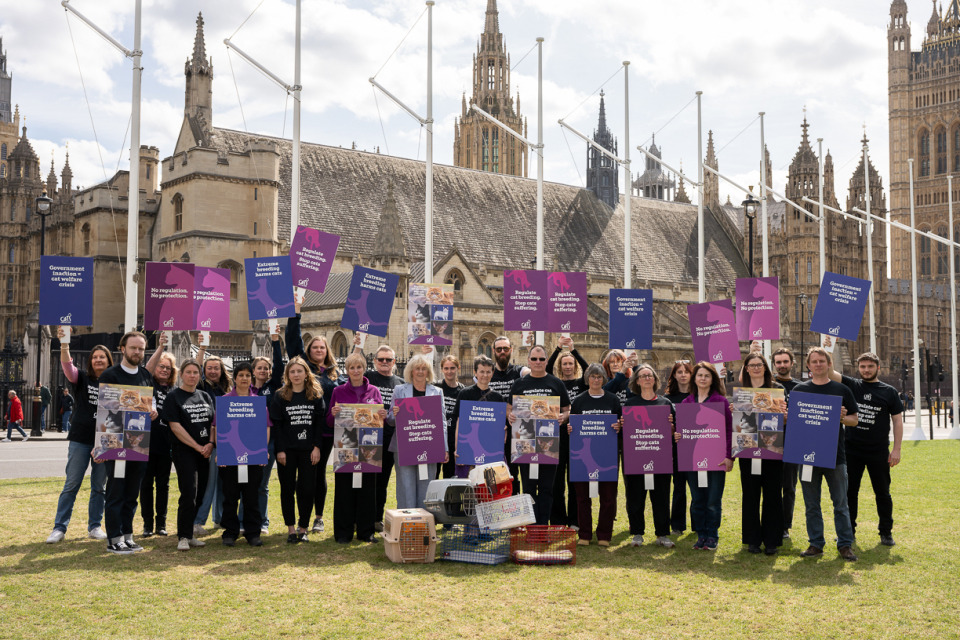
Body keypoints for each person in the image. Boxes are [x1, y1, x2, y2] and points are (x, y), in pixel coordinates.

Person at [828, 352, 904, 547]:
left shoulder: (889, 391)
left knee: (883, 493)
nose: (866, 370)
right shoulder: (853, 385)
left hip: (878, 450)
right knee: (849, 492)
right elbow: (829, 371)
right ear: (858, 368)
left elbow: (897, 421)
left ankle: (886, 532)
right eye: (862, 367)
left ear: (878, 368)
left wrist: (896, 449)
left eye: (870, 366)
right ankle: (848, 531)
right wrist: (829, 347)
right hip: (852, 449)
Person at [794, 347, 859, 562]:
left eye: (822, 361)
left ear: (829, 364)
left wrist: (841, 418)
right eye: (814, 361)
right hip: (806, 457)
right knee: (811, 504)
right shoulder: (800, 390)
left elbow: (854, 420)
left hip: (835, 456)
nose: (819, 364)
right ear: (808, 365)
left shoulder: (841, 390)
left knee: (840, 503)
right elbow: (793, 422)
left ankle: (845, 544)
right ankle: (816, 544)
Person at [45, 338, 113, 543]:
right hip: (80, 439)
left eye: (102, 357)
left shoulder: (114, 383)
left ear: (109, 361)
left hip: (105, 439)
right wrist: (64, 344)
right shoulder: (82, 378)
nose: (98, 360)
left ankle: (95, 526)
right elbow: (67, 366)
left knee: (99, 487)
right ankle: (59, 528)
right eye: (95, 357)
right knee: (71, 484)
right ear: (90, 361)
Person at [98, 331, 157, 554]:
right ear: (123, 349)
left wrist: (153, 412)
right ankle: (114, 539)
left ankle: (127, 535)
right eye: (133, 348)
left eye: (141, 349)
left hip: (138, 442)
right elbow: (106, 410)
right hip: (116, 441)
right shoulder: (110, 374)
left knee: (132, 492)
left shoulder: (145, 375)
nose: (137, 352)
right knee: (116, 491)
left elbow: (152, 403)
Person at [285, 309, 339, 534]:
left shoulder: (335, 374)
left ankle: (318, 517)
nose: (318, 350)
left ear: (327, 351)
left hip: (325, 433)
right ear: (309, 350)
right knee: (304, 476)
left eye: (322, 347)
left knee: (319, 475)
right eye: (315, 347)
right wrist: (295, 314)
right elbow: (292, 341)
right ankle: (302, 518)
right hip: (303, 430)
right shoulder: (305, 370)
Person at [507, 345, 572, 525]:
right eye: (534, 359)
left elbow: (568, 410)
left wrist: (563, 417)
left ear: (546, 361)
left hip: (548, 443)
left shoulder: (556, 383)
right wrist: (510, 415)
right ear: (528, 360)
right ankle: (531, 525)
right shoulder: (519, 384)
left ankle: (542, 526)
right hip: (525, 443)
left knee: (546, 488)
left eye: (541, 359)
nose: (537, 362)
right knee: (528, 487)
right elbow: (509, 408)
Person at [327, 351, 385, 543]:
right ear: (347, 370)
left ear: (364, 368)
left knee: (367, 490)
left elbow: (379, 418)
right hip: (346, 446)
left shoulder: (374, 391)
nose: (355, 370)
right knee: (344, 490)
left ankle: (365, 532)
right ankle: (343, 532)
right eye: (352, 367)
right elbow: (328, 421)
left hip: (369, 448)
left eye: (359, 367)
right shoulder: (338, 391)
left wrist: (382, 416)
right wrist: (334, 414)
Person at [269, 356, 324, 544]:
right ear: (288, 375)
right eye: (292, 371)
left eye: (299, 371)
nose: (296, 374)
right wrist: (280, 450)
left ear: (306, 373)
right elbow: (278, 426)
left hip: (309, 450)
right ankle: (291, 529)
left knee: (307, 489)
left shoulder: (315, 395)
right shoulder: (280, 396)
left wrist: (317, 447)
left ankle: (303, 528)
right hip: (288, 451)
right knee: (287, 489)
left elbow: (319, 424)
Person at [680, 361, 733, 552]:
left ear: (712, 379)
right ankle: (701, 534)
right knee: (697, 500)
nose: (703, 378)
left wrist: (729, 457)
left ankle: (712, 535)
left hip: (716, 459)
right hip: (693, 459)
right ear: (695, 378)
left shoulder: (720, 402)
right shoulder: (686, 403)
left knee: (712, 500)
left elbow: (729, 431)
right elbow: (683, 431)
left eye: (707, 375)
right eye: (700, 375)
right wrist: (678, 435)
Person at [737, 352, 786, 556]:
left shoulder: (777, 389)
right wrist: (735, 411)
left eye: (760, 364)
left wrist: (784, 416)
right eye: (752, 365)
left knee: (773, 494)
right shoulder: (741, 392)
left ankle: (772, 540)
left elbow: (782, 422)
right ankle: (752, 540)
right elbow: (739, 422)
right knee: (750, 494)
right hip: (748, 445)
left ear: (765, 367)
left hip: (771, 445)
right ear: (746, 368)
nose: (756, 368)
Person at [164, 358, 215, 552]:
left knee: (201, 492)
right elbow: (175, 427)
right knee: (189, 492)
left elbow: (213, 423)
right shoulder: (173, 397)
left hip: (205, 451)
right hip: (185, 451)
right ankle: (183, 536)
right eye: (189, 372)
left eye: (196, 372)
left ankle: (191, 533)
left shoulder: (204, 396)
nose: (192, 376)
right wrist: (196, 446)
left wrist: (210, 443)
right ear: (181, 374)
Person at [569, 363, 622, 547]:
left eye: (599, 377)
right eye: (593, 376)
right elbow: (573, 425)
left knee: (608, 497)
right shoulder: (579, 401)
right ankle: (584, 534)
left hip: (607, 455)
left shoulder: (613, 400)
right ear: (587, 378)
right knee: (582, 496)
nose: (596, 380)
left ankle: (604, 534)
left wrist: (619, 427)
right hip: (584, 457)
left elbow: (620, 424)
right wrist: (570, 428)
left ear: (604, 379)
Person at [623, 364, 675, 549]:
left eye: (650, 375)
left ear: (655, 379)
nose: (647, 378)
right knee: (635, 496)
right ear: (637, 381)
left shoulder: (665, 403)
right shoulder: (629, 404)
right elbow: (625, 434)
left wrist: (671, 426)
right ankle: (637, 533)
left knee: (660, 496)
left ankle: (662, 534)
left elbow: (673, 433)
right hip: (636, 456)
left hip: (659, 456)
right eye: (643, 376)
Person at [354, 339, 404, 530]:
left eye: (388, 359)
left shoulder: (400, 384)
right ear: (374, 361)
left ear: (394, 362)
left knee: (382, 482)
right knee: (365, 481)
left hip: (391, 438)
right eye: (381, 359)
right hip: (367, 436)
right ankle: (359, 518)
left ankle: (376, 519)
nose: (384, 362)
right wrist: (358, 345)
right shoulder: (367, 378)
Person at [217, 362, 267, 547]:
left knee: (251, 497)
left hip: (253, 457)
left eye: (247, 375)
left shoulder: (258, 402)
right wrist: (219, 452)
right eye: (241, 375)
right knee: (230, 497)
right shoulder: (225, 401)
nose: (245, 378)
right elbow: (216, 427)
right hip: (230, 456)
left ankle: (253, 533)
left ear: (251, 379)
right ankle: (230, 532)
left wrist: (263, 450)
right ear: (235, 378)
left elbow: (266, 428)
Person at [389, 354, 446, 509]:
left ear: (428, 372)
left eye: (424, 369)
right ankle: (407, 521)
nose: (420, 372)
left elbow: (442, 422)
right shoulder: (400, 390)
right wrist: (394, 414)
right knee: (405, 486)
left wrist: (444, 448)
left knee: (426, 485)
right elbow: (390, 420)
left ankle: (424, 521)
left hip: (429, 446)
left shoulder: (437, 392)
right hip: (404, 447)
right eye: (417, 369)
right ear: (411, 371)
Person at [546, 336, 588, 527]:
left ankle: (574, 519)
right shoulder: (554, 383)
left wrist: (573, 350)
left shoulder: (581, 384)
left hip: (577, 436)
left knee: (575, 481)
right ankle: (557, 519)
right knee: (556, 481)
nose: (568, 366)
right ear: (560, 366)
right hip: (557, 435)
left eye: (571, 363)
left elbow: (590, 370)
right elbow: (545, 369)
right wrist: (557, 349)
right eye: (565, 364)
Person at [248, 324, 284, 535]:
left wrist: (276, 339)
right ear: (253, 371)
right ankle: (246, 519)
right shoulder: (245, 389)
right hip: (247, 439)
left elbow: (280, 364)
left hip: (269, 441)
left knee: (262, 483)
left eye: (266, 368)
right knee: (246, 482)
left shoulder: (274, 387)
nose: (263, 371)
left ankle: (263, 521)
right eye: (259, 368)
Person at [192, 350, 232, 537]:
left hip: (227, 439)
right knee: (208, 483)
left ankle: (220, 518)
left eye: (217, 368)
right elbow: (196, 367)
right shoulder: (201, 387)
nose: (213, 371)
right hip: (209, 441)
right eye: (210, 368)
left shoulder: (225, 390)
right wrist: (201, 348)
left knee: (224, 483)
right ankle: (199, 521)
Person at [140, 334, 176, 538]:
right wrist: (161, 346)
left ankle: (161, 523)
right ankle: (147, 525)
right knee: (146, 485)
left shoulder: (173, 391)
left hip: (166, 444)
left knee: (163, 485)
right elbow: (146, 369)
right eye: (161, 366)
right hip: (144, 442)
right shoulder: (146, 383)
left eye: (168, 368)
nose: (163, 370)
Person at [452, 355, 505, 477]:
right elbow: (459, 423)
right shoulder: (465, 394)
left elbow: (501, 427)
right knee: (469, 490)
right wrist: (457, 449)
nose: (485, 375)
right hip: (469, 451)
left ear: (492, 373)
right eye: (481, 372)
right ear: (475, 372)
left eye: (488, 372)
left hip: (490, 452)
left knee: (490, 489)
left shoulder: (498, 398)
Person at [488, 336, 528, 495]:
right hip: (494, 432)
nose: (502, 352)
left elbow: (529, 372)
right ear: (494, 352)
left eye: (505, 348)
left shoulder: (518, 372)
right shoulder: (488, 374)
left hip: (518, 432)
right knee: (496, 474)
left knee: (515, 473)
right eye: (499, 349)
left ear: (511, 350)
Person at [772, 348, 801, 540]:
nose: (782, 365)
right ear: (774, 364)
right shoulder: (767, 387)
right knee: (771, 486)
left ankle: (785, 526)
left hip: (793, 443)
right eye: (778, 362)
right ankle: (772, 522)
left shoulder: (801, 387)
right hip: (770, 442)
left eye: (785, 361)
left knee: (789, 487)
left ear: (792, 363)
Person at [663, 360, 694, 536]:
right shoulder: (667, 400)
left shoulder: (698, 397)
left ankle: (698, 524)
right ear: (674, 375)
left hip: (696, 447)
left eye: (686, 372)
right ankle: (677, 525)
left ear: (691, 375)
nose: (683, 375)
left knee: (698, 488)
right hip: (675, 448)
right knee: (679, 487)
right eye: (679, 372)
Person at [436, 354, 464, 480]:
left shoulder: (463, 391)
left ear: (458, 368)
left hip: (454, 440)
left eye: (452, 368)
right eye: (446, 368)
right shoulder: (435, 388)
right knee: (433, 477)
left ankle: (450, 501)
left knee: (451, 478)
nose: (449, 371)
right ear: (442, 369)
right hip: (436, 438)